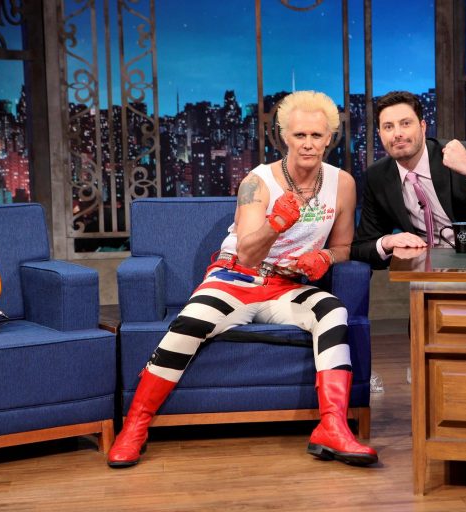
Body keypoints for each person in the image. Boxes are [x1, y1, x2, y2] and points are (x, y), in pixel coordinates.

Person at [107, 91, 377, 468]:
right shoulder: (257, 181)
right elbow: (248, 253)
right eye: (299, 135)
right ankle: (135, 426)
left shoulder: (342, 183)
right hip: (236, 277)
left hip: (287, 287)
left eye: (316, 135)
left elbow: (344, 246)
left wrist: (326, 257)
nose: (308, 143)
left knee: (333, 312)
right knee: (190, 323)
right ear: (284, 136)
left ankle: (333, 427)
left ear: (329, 138)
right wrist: (275, 223)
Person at [350, 90, 466, 269]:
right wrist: (387, 241)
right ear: (380, 134)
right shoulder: (378, 176)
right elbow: (360, 247)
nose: (397, 133)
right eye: (388, 127)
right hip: (429, 270)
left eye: (406, 123)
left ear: (423, 127)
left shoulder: (462, 154)